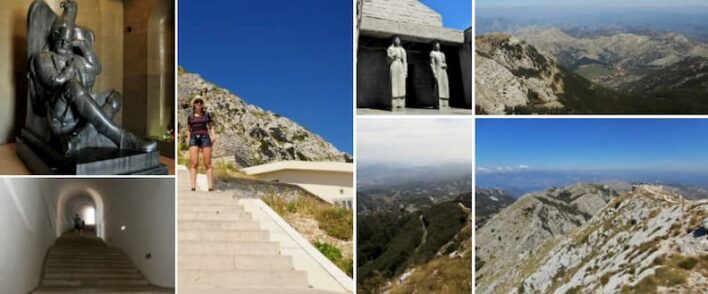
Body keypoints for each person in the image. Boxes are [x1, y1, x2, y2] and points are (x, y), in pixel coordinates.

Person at [186, 96, 216, 192]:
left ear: (202, 104)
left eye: (200, 102)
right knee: (194, 163)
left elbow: (211, 127)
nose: (198, 103)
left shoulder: (206, 115)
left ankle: (210, 187)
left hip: (205, 138)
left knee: (207, 163)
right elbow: (189, 129)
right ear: (194, 104)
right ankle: (193, 187)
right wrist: (188, 138)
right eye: (196, 102)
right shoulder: (190, 117)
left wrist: (214, 136)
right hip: (194, 139)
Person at [387, 36, 407, 111]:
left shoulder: (402, 50)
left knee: (401, 84)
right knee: (394, 83)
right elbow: (388, 59)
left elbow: (405, 61)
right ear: (393, 41)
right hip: (394, 64)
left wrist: (406, 71)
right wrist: (392, 57)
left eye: (398, 40)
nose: (397, 41)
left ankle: (401, 103)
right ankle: (394, 103)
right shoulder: (390, 48)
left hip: (400, 65)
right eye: (396, 40)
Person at [430, 41, 450, 109]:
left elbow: (445, 63)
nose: (437, 46)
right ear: (434, 46)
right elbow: (432, 64)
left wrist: (444, 65)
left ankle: (445, 103)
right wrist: (434, 73)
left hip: (443, 70)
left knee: (445, 85)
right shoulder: (432, 53)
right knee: (439, 86)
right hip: (438, 70)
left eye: (438, 45)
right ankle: (438, 103)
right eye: (436, 45)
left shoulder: (442, 54)